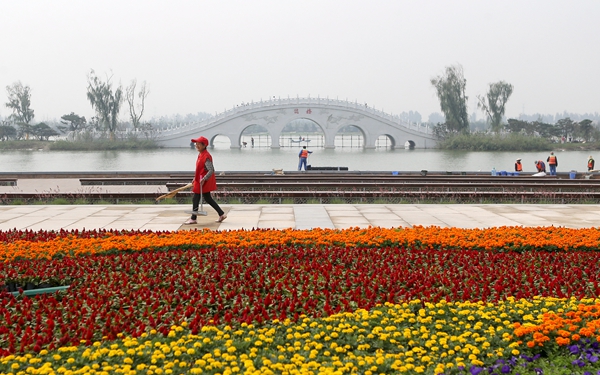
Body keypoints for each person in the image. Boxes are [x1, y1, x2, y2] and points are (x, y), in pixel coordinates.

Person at [184, 136, 227, 224]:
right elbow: (200, 169)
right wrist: (194, 178)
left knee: (196, 198)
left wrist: (204, 179)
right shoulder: (200, 154)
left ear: (204, 145)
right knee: (207, 198)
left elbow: (211, 170)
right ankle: (221, 214)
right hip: (199, 180)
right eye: (196, 144)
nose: (196, 145)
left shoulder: (206, 156)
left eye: (199, 144)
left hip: (203, 181)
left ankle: (193, 218)